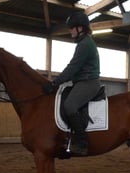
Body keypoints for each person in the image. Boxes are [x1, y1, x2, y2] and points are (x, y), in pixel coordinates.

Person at [43, 11, 101, 155]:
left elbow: (73, 67)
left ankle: (82, 142)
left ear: (80, 28)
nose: (70, 31)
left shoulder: (85, 44)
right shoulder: (84, 42)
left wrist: (55, 82)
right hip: (81, 81)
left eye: (71, 28)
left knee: (70, 105)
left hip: (89, 82)